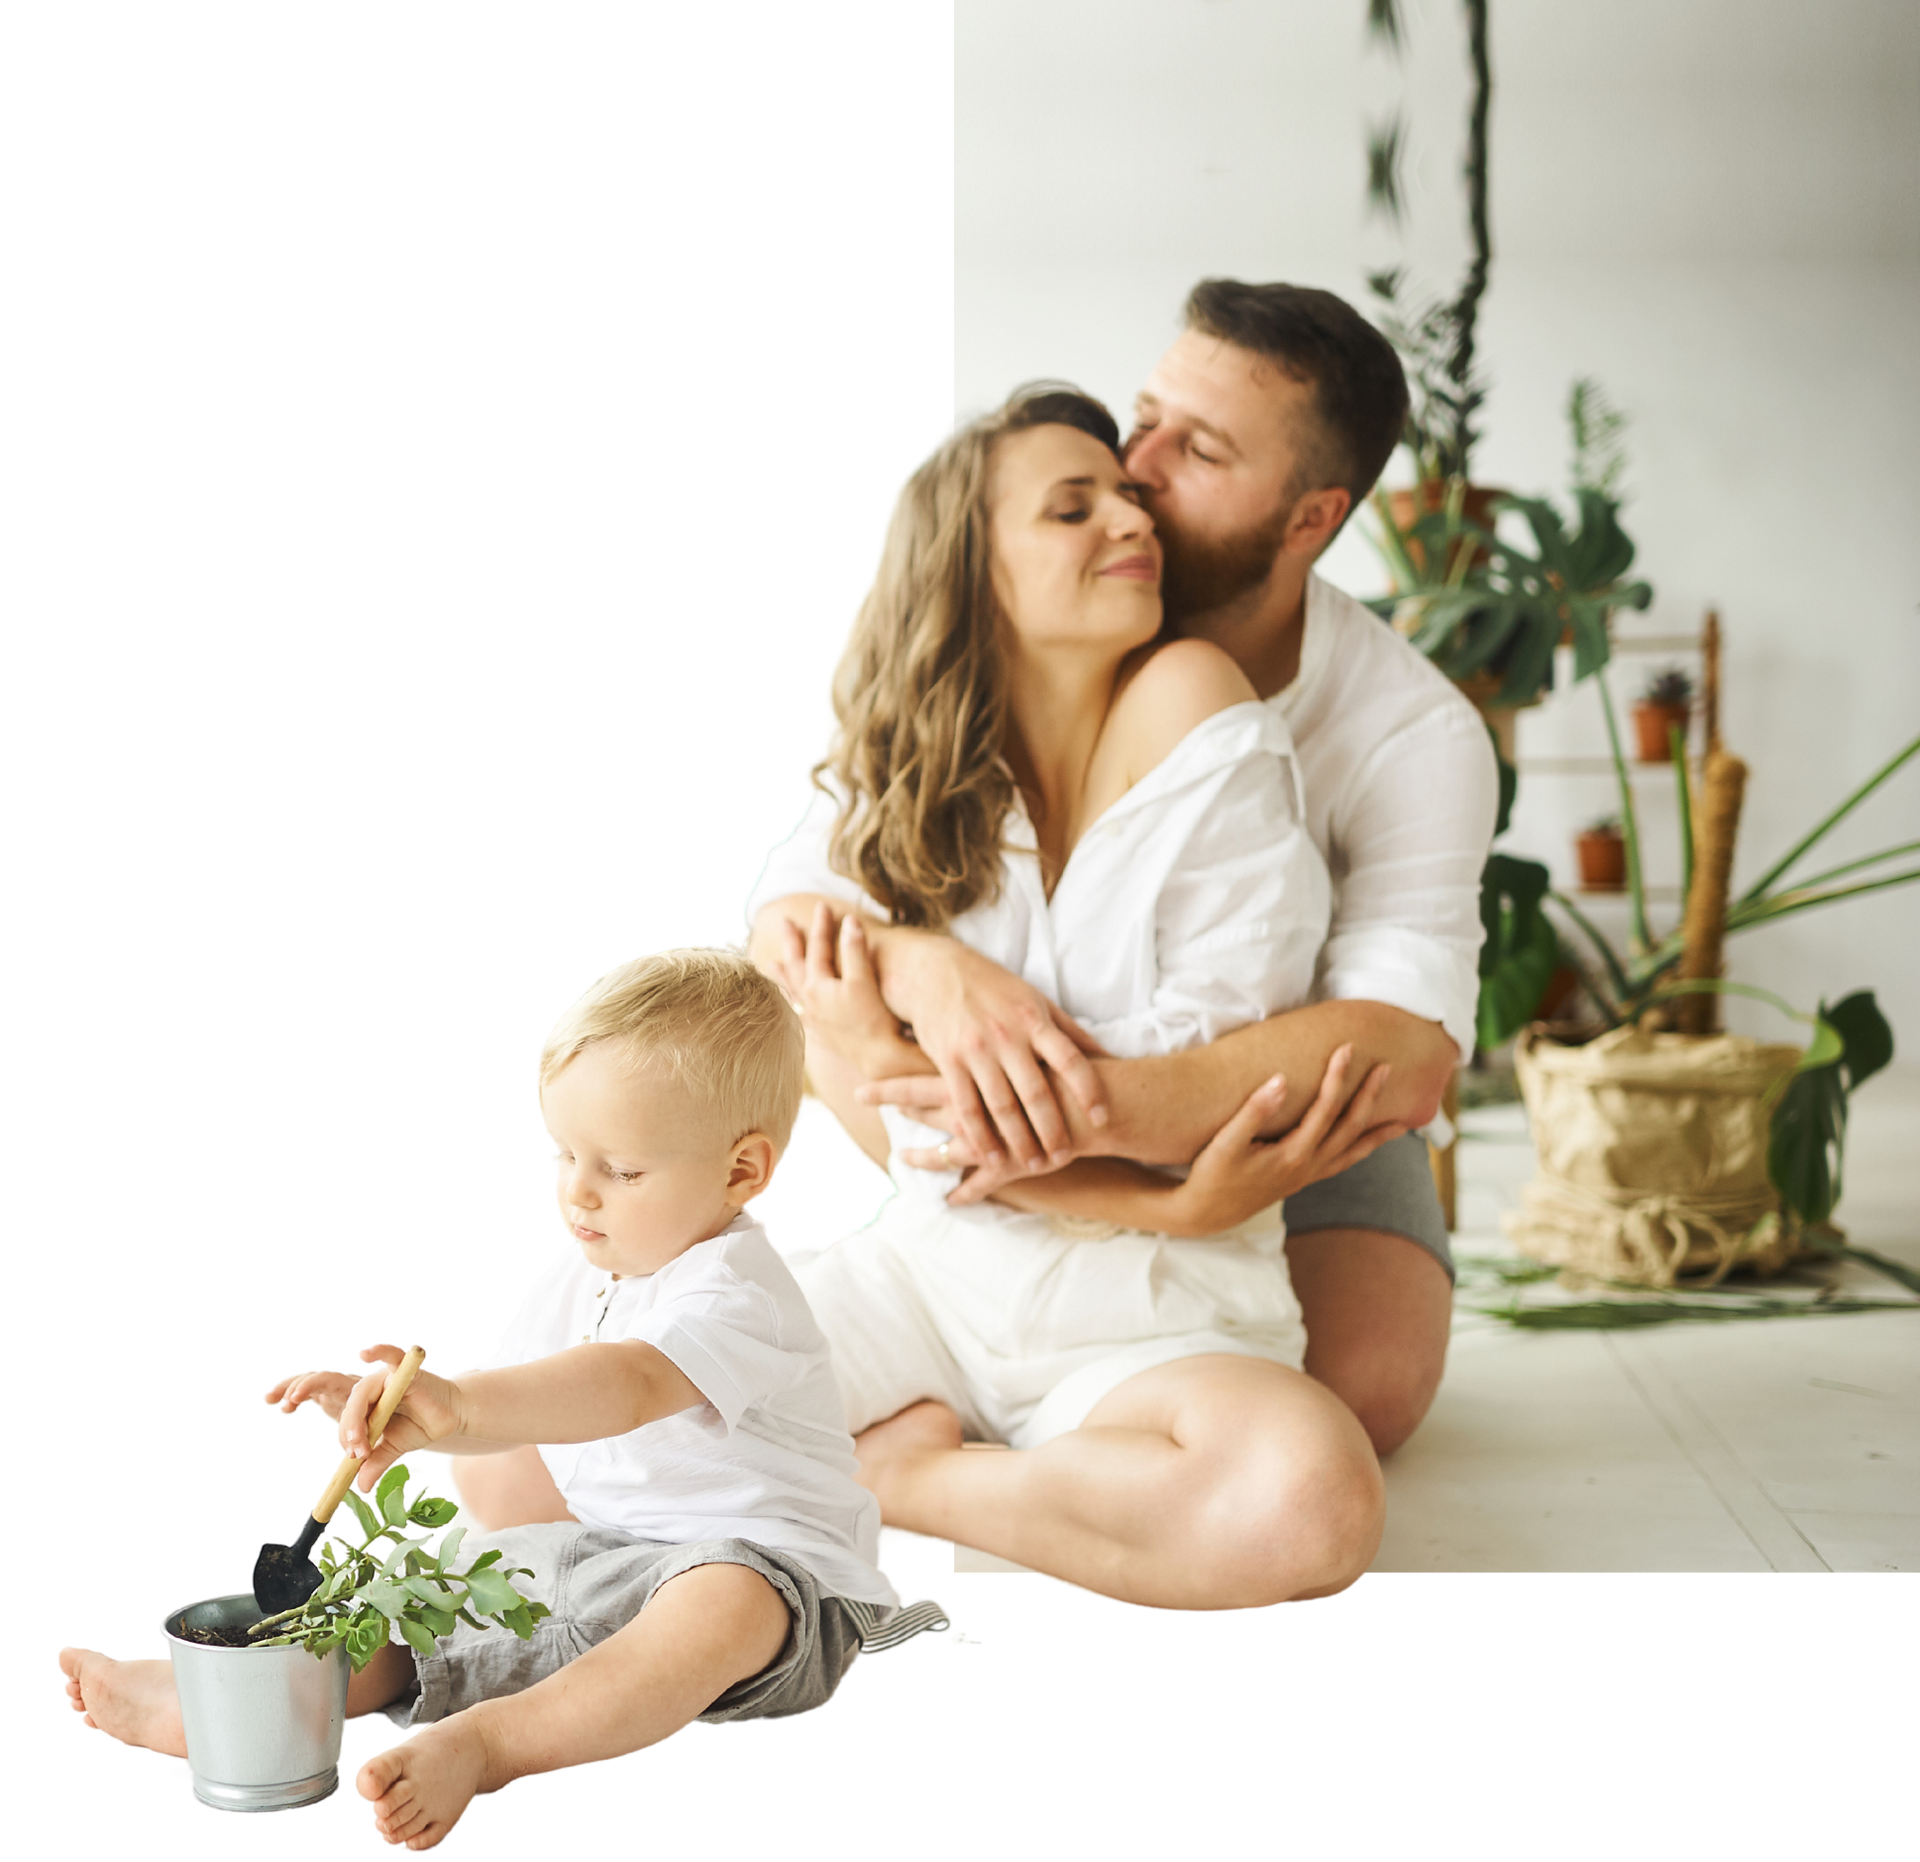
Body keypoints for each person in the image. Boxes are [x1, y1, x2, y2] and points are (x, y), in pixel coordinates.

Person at [753, 280, 1499, 1460]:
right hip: (1003, 1103)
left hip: (1288, 1116)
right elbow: (790, 902)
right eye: (1143, 417)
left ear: (1310, 517)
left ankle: (956, 1458)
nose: (1137, 469)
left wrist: (1083, 1135)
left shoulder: (1412, 729)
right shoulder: (1023, 623)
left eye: (1195, 450)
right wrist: (926, 966)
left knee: (1359, 1398)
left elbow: (1404, 1048)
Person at [55, 947, 956, 1854]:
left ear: (742, 1171)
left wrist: (464, 1410)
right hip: (597, 1556)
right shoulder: (578, 1272)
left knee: (724, 1601)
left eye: (622, 1170)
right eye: (561, 1153)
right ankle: (231, 1708)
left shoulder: (739, 1291)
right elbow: (506, 1398)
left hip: (784, 1587)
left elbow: (630, 1383)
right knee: (428, 1595)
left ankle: (493, 1746)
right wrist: (415, 1413)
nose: (577, 1190)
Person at [743, 380, 1388, 1612]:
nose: (1130, 524)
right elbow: (781, 914)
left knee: (1307, 1502)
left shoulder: (1199, 706)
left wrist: (879, 1040)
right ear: (973, 570)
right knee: (551, 1449)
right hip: (930, 1280)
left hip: (1163, 1312)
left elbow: (1201, 1095)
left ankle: (914, 1479)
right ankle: (1046, 1487)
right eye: (1071, 507)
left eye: (1132, 499)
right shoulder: (919, 756)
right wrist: (924, 963)